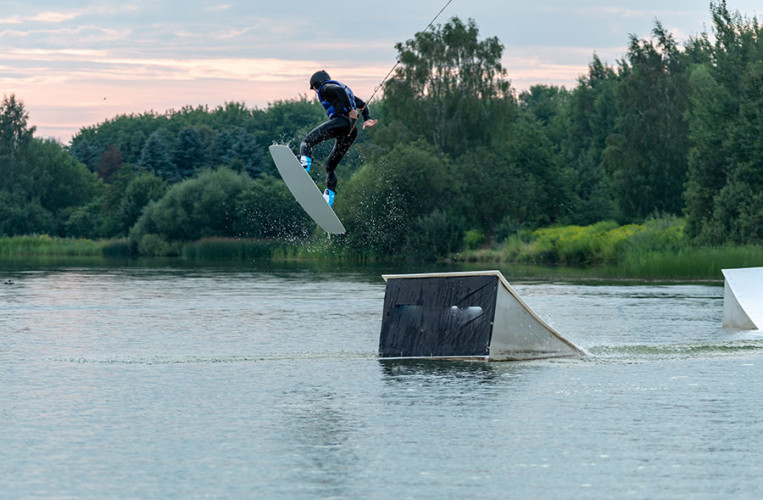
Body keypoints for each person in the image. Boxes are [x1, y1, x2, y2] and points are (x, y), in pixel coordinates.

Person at [299, 70, 378, 206]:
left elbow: (339, 91)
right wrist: (367, 119)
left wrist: (350, 112)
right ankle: (329, 196)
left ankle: (304, 165)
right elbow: (363, 105)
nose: (315, 92)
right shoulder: (349, 92)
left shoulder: (324, 88)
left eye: (314, 89)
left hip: (340, 122)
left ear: (316, 84)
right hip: (351, 131)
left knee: (306, 142)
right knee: (330, 166)